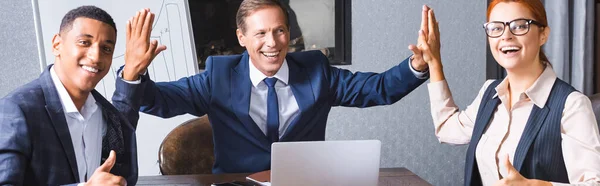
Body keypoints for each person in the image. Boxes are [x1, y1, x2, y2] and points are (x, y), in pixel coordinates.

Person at [115, 0, 432, 174]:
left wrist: (416, 65)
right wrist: (132, 72)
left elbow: (376, 88)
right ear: (242, 38)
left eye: (279, 31)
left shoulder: (316, 71)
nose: (272, 43)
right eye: (261, 33)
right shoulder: (218, 76)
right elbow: (160, 100)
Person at [410, 0, 600, 185]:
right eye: (496, 28)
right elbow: (447, 130)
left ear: (543, 34)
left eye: (519, 26)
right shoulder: (490, 92)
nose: (506, 35)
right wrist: (434, 63)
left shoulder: (572, 105)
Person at [0, 6, 141, 185]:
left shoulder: (109, 116)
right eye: (84, 42)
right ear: (57, 45)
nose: (96, 56)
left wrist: (133, 72)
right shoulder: (17, 110)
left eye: (106, 48)